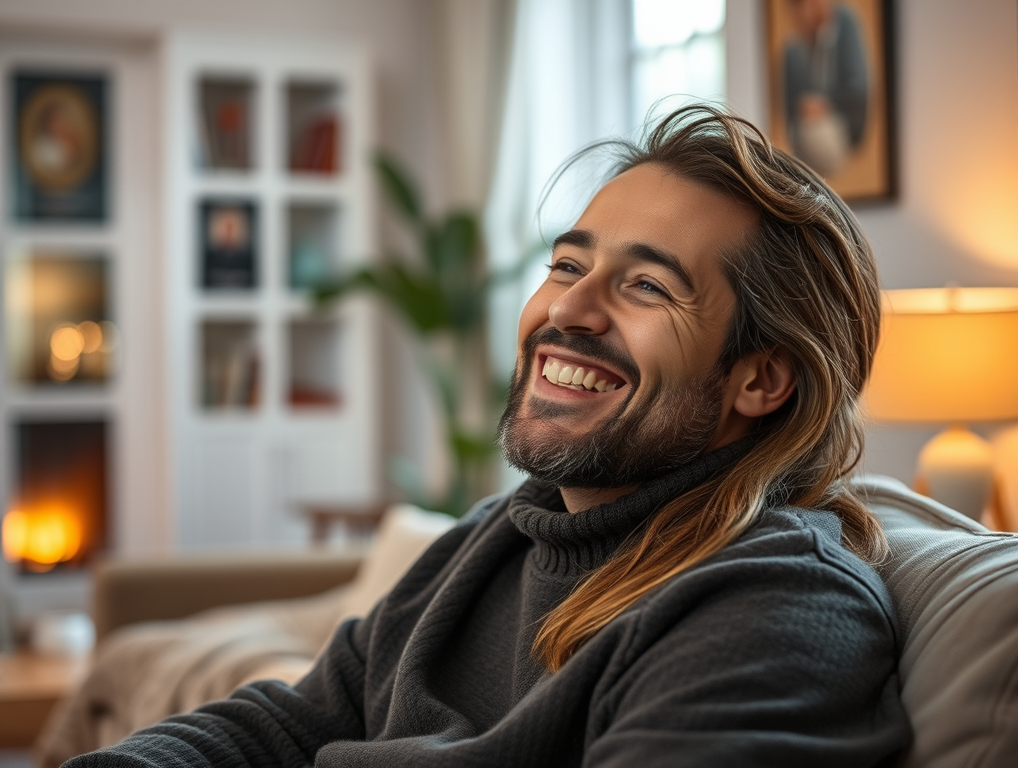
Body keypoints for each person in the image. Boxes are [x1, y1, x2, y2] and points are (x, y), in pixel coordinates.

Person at [64, 104, 910, 767]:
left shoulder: (776, 606)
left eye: (648, 286)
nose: (566, 312)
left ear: (761, 378)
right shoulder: (494, 539)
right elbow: (291, 724)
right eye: (569, 265)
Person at [783, 0, 870, 176]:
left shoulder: (844, 23)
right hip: (811, 126)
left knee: (813, 134)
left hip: (842, 124)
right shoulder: (797, 48)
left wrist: (825, 103)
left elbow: (857, 88)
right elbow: (793, 106)